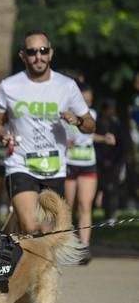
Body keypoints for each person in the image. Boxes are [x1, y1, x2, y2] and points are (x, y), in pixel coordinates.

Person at [0, 30, 95, 234]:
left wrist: (78, 120)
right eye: (32, 52)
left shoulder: (66, 86)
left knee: (48, 232)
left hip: (54, 167)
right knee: (31, 225)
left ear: (51, 53)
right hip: (20, 164)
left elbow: (91, 125)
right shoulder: (8, 86)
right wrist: (2, 135)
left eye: (43, 50)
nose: (38, 56)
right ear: (23, 56)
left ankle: (35, 264)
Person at [63, 83, 97, 254]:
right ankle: (69, 243)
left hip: (88, 165)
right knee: (69, 206)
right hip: (70, 164)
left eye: (90, 100)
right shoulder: (66, 116)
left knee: (85, 205)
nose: (87, 103)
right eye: (84, 100)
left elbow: (91, 134)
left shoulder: (93, 116)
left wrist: (104, 138)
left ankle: (84, 246)